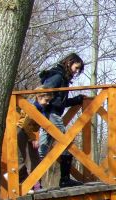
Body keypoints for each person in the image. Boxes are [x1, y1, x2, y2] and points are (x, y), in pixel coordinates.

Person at [38, 53, 86, 188]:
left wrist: (77, 100)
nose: (76, 71)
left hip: (50, 113)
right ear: (69, 63)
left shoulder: (62, 77)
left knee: (43, 149)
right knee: (65, 142)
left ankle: (34, 182)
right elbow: (43, 93)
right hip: (51, 113)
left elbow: (60, 102)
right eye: (76, 68)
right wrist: (42, 110)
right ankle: (64, 179)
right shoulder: (57, 76)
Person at [17, 88, 53, 191]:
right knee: (23, 159)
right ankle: (22, 186)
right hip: (21, 132)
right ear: (39, 97)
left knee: (35, 159)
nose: (47, 103)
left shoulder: (41, 109)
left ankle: (36, 186)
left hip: (27, 134)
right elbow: (25, 124)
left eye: (49, 101)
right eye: (46, 100)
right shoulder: (32, 107)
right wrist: (33, 139)